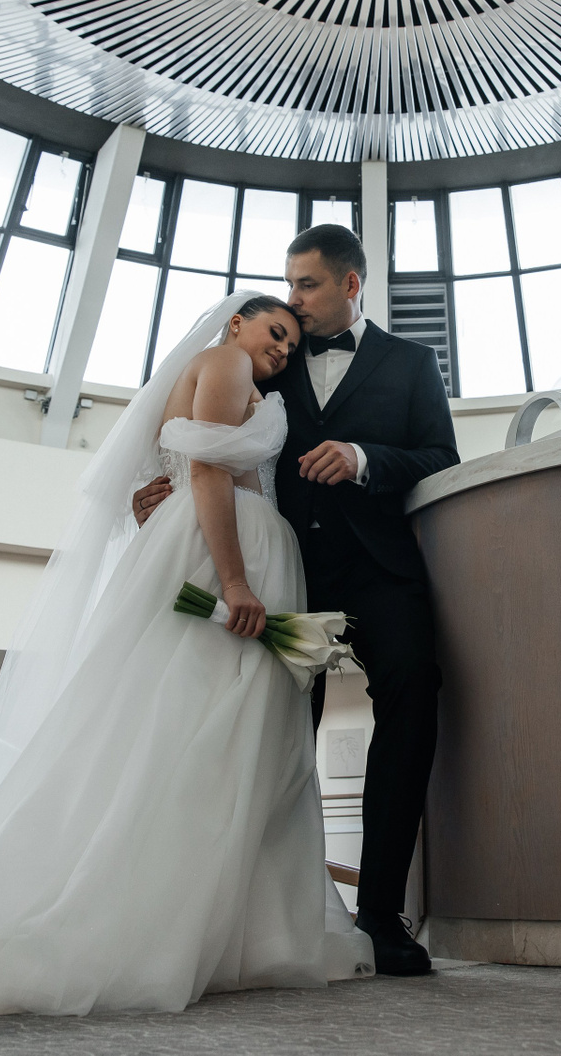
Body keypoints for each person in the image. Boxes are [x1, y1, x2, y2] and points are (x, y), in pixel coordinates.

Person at [0, 293, 373, 1018]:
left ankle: (217, 930)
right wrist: (233, 581)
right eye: (274, 331)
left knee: (198, 735)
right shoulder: (225, 362)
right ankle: (171, 931)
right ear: (236, 323)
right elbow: (208, 473)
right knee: (203, 737)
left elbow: (189, 468)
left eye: (291, 343)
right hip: (223, 553)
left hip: (218, 543)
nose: (283, 349)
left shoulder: (225, 373)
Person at [135, 225, 459, 976]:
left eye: (307, 284)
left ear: (351, 284)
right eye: (288, 285)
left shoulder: (412, 364)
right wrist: (163, 486)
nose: (293, 300)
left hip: (379, 572)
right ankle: (251, 917)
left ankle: (381, 912)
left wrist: (364, 457)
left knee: (414, 690)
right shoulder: (269, 355)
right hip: (284, 573)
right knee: (268, 732)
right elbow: (205, 435)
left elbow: (440, 456)